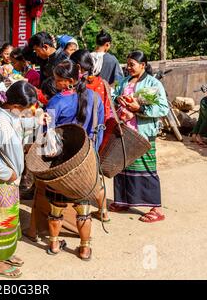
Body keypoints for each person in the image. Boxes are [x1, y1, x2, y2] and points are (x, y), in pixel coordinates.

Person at [38, 60, 105, 261]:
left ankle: (54, 244)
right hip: (86, 160)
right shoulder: (95, 98)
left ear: (69, 81)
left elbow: (46, 133)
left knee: (56, 207)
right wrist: (92, 152)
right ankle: (84, 248)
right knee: (83, 209)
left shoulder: (56, 102)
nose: (55, 83)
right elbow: (99, 129)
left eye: (58, 80)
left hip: (62, 163)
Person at [0, 81, 37, 278]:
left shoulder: (8, 114)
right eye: (25, 110)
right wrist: (8, 174)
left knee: (8, 219)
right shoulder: (0, 123)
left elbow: (21, 124)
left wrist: (37, 120)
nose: (27, 113)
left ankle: (5, 254)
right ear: (15, 106)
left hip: (7, 181)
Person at [109, 51, 169, 223]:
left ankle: (156, 209)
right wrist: (118, 99)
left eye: (132, 64)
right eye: (127, 64)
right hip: (124, 131)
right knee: (123, 166)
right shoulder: (124, 82)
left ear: (143, 65)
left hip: (142, 134)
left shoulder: (153, 83)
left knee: (146, 168)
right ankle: (123, 201)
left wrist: (139, 109)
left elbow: (163, 108)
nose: (128, 68)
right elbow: (114, 98)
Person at [71, 49, 111, 127]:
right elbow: (106, 112)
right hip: (97, 132)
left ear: (78, 67)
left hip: (76, 132)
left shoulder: (73, 85)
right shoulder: (103, 83)